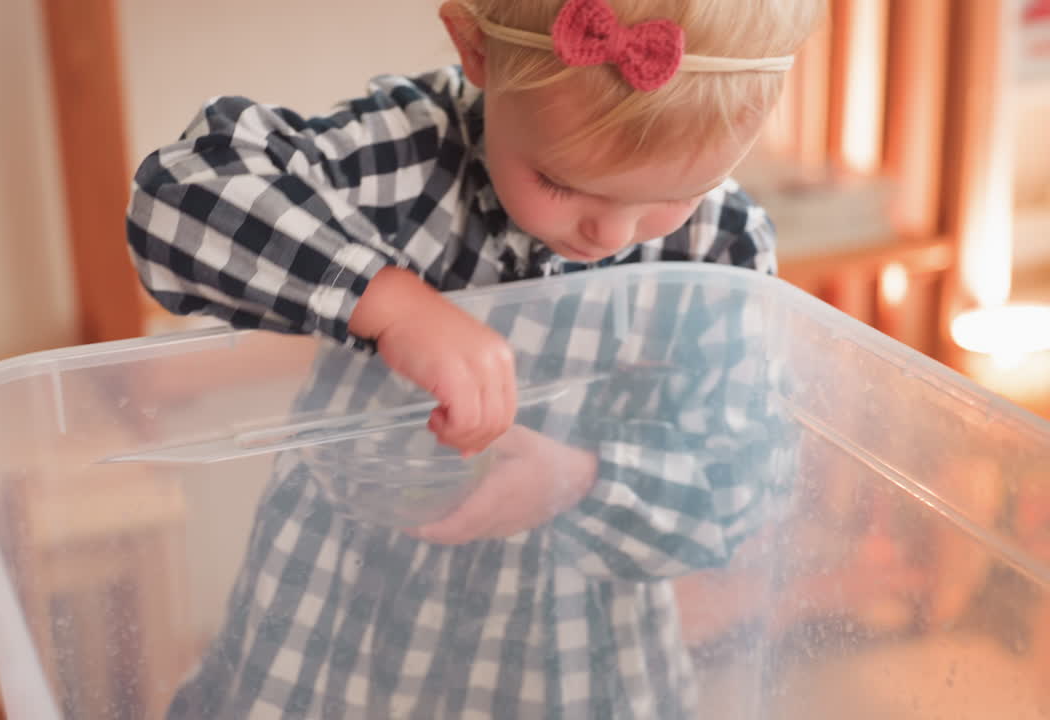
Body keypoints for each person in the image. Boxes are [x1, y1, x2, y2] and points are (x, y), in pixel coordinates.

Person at [125, 0, 823, 716]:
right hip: (340, 614)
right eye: (558, 181)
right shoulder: (413, 153)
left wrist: (577, 480)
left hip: (574, 647)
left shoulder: (720, 248)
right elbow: (179, 195)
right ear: (476, 49)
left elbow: (746, 484)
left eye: (672, 196)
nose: (609, 232)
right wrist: (389, 304)